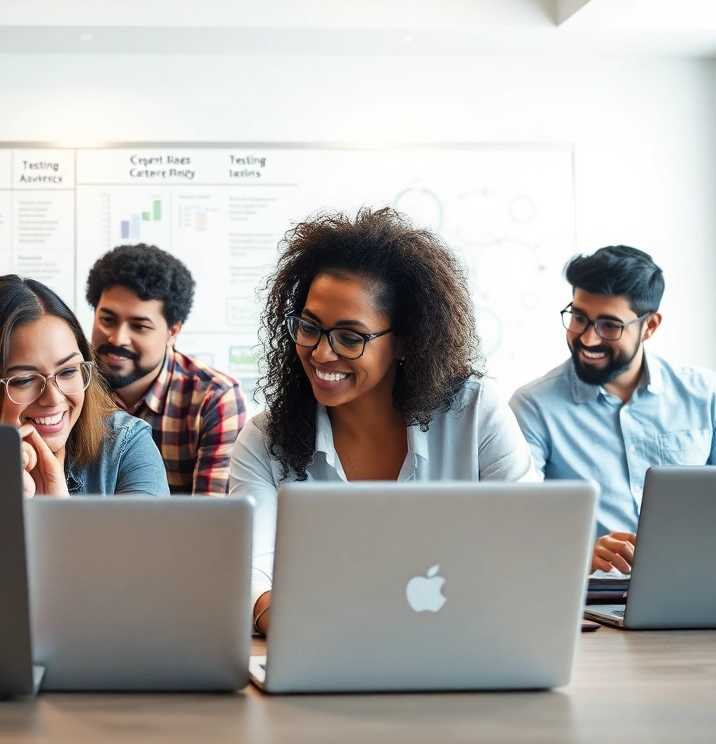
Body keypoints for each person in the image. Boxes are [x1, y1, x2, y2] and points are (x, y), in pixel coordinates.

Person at [229, 208, 534, 636]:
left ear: (406, 342)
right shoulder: (265, 440)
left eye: (350, 337)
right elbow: (248, 573)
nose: (321, 353)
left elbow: (531, 545)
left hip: (466, 643)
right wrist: (286, 621)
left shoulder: (474, 413)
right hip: (325, 651)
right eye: (309, 327)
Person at [509, 245, 716, 574]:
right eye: (579, 318)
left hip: (701, 582)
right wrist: (580, 553)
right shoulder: (533, 407)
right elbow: (516, 523)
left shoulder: (707, 395)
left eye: (610, 325)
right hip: (593, 594)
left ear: (649, 327)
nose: (588, 339)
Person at [0, 275, 169, 497]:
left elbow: (148, 549)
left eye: (68, 371)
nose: (53, 398)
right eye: (24, 380)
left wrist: (56, 512)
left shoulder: (125, 447)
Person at [85, 244, 246, 495]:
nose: (117, 339)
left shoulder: (213, 398)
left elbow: (211, 514)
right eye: (107, 320)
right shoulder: (69, 385)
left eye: (139, 326)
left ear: (173, 332)